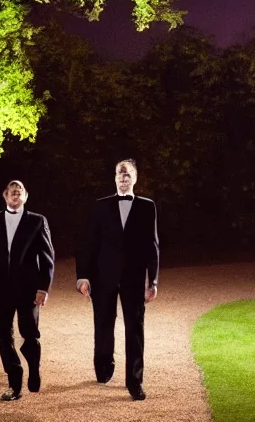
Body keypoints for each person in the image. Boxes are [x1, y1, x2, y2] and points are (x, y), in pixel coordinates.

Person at [76, 159, 159, 401]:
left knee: (135, 329)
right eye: (120, 174)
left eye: (128, 174)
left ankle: (135, 381)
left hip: (133, 278)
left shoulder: (147, 206)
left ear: (135, 178)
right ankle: (103, 366)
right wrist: (83, 277)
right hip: (103, 277)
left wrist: (152, 281)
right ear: (114, 178)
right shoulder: (100, 206)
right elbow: (87, 245)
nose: (123, 178)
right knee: (103, 325)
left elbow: (152, 246)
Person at [0, 180, 55, 401]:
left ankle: (34, 368)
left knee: (29, 334)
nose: (15, 195)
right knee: (3, 338)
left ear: (25, 196)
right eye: (12, 192)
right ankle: (14, 383)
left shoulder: (37, 221)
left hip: (28, 290)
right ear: (5, 195)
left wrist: (43, 288)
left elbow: (47, 258)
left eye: (19, 192)